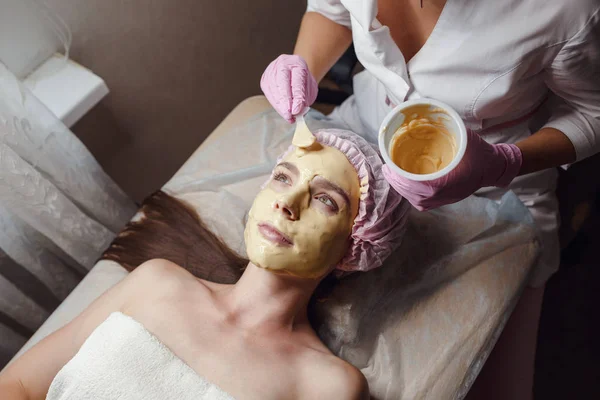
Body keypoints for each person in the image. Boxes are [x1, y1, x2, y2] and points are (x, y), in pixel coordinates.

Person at [259, 1, 600, 398]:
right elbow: (331, 10)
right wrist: (303, 65)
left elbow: (592, 112)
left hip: (492, 188)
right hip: (362, 127)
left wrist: (503, 164)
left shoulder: (566, 9)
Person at [0, 129, 409, 400]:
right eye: (283, 178)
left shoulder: (326, 384)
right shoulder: (156, 281)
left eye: (325, 200)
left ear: (356, 244)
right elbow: (16, 385)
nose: (287, 201)